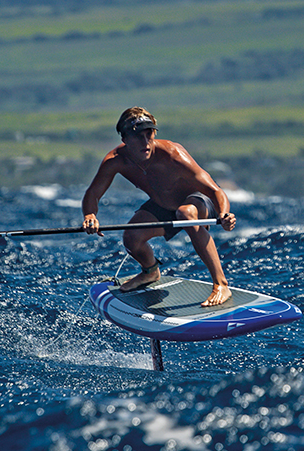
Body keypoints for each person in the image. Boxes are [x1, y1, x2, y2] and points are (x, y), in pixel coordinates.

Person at [81, 107, 236, 307]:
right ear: (125, 139)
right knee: (131, 237)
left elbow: (215, 191)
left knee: (185, 212)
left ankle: (221, 284)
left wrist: (224, 214)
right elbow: (93, 193)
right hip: (163, 205)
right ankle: (150, 272)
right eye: (138, 137)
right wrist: (90, 215)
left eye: (149, 134)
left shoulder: (173, 154)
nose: (146, 142)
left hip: (197, 202)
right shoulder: (115, 161)